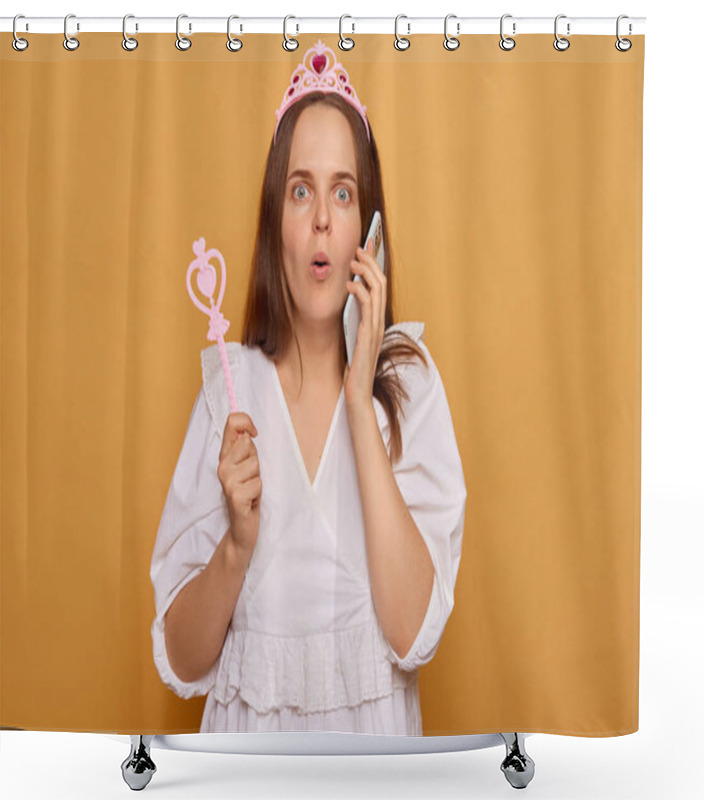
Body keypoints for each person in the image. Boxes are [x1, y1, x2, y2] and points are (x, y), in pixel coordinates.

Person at [150, 40, 467, 735]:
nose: (322, 217)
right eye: (301, 191)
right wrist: (235, 545)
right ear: (276, 224)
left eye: (343, 192)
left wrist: (359, 398)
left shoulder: (408, 380)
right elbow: (180, 658)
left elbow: (414, 634)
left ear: (368, 230)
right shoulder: (227, 391)